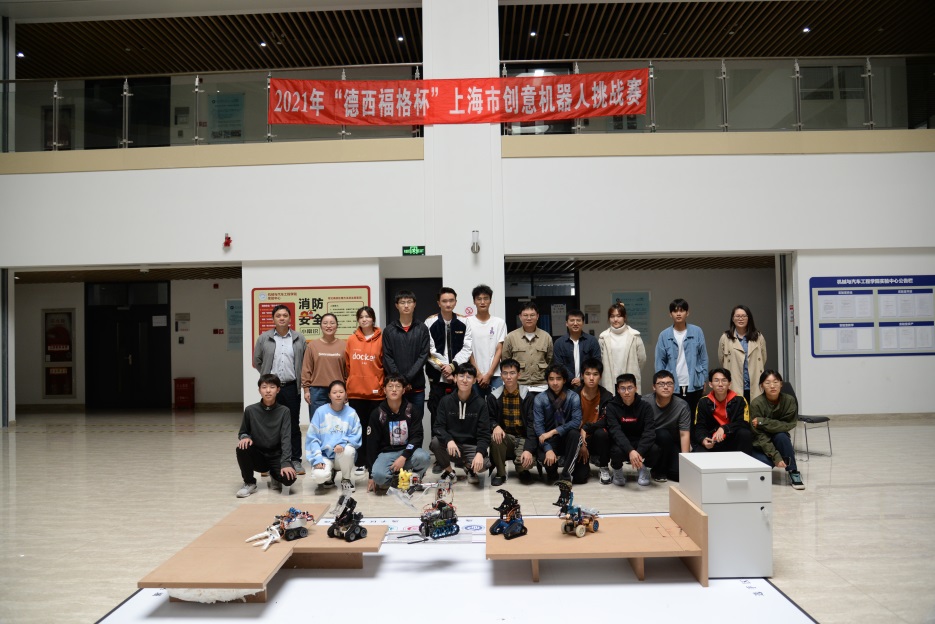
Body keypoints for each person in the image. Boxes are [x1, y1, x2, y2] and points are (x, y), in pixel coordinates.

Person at [253, 304, 307, 474]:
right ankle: (269, 461)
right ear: (273, 319)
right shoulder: (264, 338)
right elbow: (257, 360)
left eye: (285, 315)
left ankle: (295, 460)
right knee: (269, 424)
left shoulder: (299, 338)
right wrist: (267, 379)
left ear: (290, 318)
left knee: (293, 424)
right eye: (278, 315)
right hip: (271, 388)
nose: (282, 318)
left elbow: (305, 362)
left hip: (291, 387)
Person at [366, 373, 431, 492]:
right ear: (384, 390)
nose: (394, 389)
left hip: (408, 452)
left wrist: (403, 456)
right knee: (379, 477)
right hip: (386, 453)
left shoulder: (412, 410)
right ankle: (397, 478)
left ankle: (414, 478)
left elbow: (417, 437)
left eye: (398, 386)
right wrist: (371, 475)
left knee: (424, 457)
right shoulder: (377, 413)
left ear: (404, 390)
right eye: (390, 386)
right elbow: (371, 445)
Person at [235, 374, 298, 497]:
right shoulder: (250, 410)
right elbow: (243, 432)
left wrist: (285, 462)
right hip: (258, 456)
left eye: (272, 387)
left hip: (276, 456)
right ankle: (249, 483)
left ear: (278, 390)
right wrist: (245, 437)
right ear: (259, 390)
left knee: (289, 479)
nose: (268, 390)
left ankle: (275, 474)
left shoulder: (284, 411)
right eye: (264, 387)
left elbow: (286, 438)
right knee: (242, 447)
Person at [425, 287, 473, 443]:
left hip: (459, 378)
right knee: (437, 414)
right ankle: (438, 451)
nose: (448, 304)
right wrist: (444, 368)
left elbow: (467, 348)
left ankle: (459, 449)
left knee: (459, 414)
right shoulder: (430, 322)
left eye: (451, 301)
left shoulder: (464, 321)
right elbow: (429, 350)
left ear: (456, 302)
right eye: (444, 301)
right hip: (437, 378)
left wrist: (453, 366)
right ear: (438, 303)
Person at [429, 363, 491, 485]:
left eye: (469, 377)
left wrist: (479, 453)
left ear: (474, 380)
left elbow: (484, 433)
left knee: (484, 464)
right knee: (435, 442)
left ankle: (469, 468)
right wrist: (449, 440)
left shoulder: (481, 404)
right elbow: (438, 427)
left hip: (471, 446)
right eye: (461, 376)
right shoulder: (445, 401)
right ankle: (449, 472)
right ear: (455, 378)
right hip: (453, 446)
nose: (464, 380)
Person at [345, 306, 385, 473]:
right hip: (356, 394)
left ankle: (374, 460)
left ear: (373, 319)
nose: (364, 319)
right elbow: (348, 365)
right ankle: (361, 461)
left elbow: (384, 364)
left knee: (375, 429)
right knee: (358, 429)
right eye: (361, 317)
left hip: (376, 394)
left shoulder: (382, 339)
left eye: (367, 316)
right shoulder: (351, 340)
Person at [750, 370, 805, 490]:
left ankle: (793, 471)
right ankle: (773, 458)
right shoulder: (756, 404)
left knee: (782, 436)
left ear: (781, 384)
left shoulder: (789, 400)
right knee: (766, 464)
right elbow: (760, 435)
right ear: (761, 386)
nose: (772, 386)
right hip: (761, 442)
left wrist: (762, 422)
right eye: (767, 383)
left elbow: (789, 424)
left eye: (776, 382)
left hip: (779, 438)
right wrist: (776, 457)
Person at [306, 380, 362, 494]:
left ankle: (346, 479)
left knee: (348, 450)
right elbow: (312, 438)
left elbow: (356, 435)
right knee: (319, 476)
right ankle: (330, 473)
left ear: (346, 394)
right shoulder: (320, 412)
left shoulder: (351, 413)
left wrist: (343, 443)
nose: (338, 395)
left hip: (343, 455)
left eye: (341, 392)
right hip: (325, 455)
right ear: (329, 395)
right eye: (334, 392)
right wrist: (317, 459)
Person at [487, 358, 537, 486]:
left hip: (523, 438)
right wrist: (495, 426)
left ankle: (522, 470)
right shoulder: (494, 396)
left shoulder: (528, 396)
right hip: (506, 438)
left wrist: (528, 449)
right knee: (495, 437)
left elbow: (532, 425)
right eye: (505, 373)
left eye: (512, 373)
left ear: (518, 375)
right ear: (501, 375)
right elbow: (489, 418)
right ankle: (501, 473)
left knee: (525, 464)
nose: (508, 377)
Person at [655, 298, 708, 418]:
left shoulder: (697, 331)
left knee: (694, 416)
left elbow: (703, 357)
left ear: (687, 313)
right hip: (672, 384)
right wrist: (659, 383)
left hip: (694, 382)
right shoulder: (664, 335)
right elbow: (659, 361)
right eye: (675, 311)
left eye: (682, 310)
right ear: (670, 314)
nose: (678, 314)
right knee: (674, 417)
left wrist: (704, 378)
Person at [382, 290, 430, 422]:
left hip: (416, 387)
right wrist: (401, 381)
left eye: (409, 302)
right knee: (396, 422)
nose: (406, 305)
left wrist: (407, 379)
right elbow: (387, 357)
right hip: (395, 387)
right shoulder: (389, 330)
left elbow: (423, 355)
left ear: (414, 304)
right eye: (402, 302)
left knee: (416, 423)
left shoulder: (422, 328)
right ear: (397, 305)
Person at [605, 373, 660, 487]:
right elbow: (615, 431)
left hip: (639, 442)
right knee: (615, 450)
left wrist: (638, 452)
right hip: (621, 443)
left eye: (630, 388)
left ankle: (644, 469)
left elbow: (649, 432)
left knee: (655, 449)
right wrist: (630, 451)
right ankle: (617, 471)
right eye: (622, 388)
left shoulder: (645, 406)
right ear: (618, 390)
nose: (626, 392)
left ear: (636, 388)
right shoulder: (611, 407)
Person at [532, 364, 583, 481]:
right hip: (548, 440)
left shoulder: (573, 397)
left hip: (567, 439)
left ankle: (566, 474)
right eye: (551, 379)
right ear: (547, 381)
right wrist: (548, 449)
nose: (555, 383)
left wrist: (554, 431)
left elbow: (576, 422)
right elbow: (539, 427)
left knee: (581, 476)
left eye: (558, 379)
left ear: (564, 380)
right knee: (550, 472)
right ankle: (553, 470)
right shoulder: (540, 399)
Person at [693, 368, 754, 455]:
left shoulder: (740, 400)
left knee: (745, 433)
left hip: (732, 439)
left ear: (729, 384)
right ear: (710, 384)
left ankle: (744, 463)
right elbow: (699, 427)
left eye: (724, 380)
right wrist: (703, 439)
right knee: (698, 451)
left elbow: (743, 423)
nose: (720, 384)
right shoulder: (703, 402)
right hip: (712, 440)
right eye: (716, 381)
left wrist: (724, 429)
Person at [644, 369, 691, 482]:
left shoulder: (682, 405)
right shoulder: (645, 402)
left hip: (671, 442)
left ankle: (664, 467)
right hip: (650, 441)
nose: (666, 387)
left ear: (674, 386)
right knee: (662, 434)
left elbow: (684, 434)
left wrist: (685, 461)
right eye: (661, 384)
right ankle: (658, 471)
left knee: (679, 475)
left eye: (669, 384)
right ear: (654, 387)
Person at [718, 304, 767, 403]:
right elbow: (721, 359)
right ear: (733, 319)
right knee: (737, 410)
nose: (741, 319)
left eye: (744, 316)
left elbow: (763, 358)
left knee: (755, 410)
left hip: (754, 384)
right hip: (734, 384)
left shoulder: (758, 336)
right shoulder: (725, 337)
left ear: (749, 318)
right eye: (737, 316)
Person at [576, 358, 614, 484]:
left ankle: (604, 467)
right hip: (579, 437)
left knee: (602, 433)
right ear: (582, 376)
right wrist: (581, 442)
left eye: (595, 374)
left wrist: (586, 428)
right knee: (580, 478)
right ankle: (582, 465)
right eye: (588, 374)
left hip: (596, 436)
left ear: (600, 376)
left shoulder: (607, 396)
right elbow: (569, 421)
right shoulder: (574, 395)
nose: (591, 378)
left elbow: (606, 420)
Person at [301, 312, 347, 416]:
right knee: (318, 422)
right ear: (321, 326)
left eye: (332, 323)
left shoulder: (344, 345)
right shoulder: (312, 345)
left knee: (337, 421)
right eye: (325, 323)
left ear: (337, 326)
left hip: (338, 390)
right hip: (317, 391)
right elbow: (306, 369)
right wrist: (306, 390)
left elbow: (347, 370)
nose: (328, 326)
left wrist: (347, 390)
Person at [502, 302, 553, 392]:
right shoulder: (511, 337)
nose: (529, 318)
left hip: (541, 386)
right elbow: (506, 361)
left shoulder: (546, 337)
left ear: (537, 316)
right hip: (518, 385)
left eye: (532, 315)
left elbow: (549, 360)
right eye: (525, 315)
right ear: (520, 317)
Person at [466, 284, 506, 397]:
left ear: (490, 301)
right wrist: (478, 373)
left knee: (496, 406)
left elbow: (499, 349)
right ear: (474, 301)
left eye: (486, 298)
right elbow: (467, 348)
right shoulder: (467, 322)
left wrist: (489, 374)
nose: (482, 302)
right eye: (479, 299)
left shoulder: (499, 323)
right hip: (473, 375)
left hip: (495, 375)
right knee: (475, 406)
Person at [599, 302, 647, 394]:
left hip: (629, 378)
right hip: (610, 380)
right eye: (612, 316)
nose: (615, 319)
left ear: (624, 317)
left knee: (630, 401)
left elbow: (642, 359)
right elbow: (600, 360)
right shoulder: (603, 338)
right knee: (611, 400)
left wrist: (634, 369)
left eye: (619, 316)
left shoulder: (635, 336)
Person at [553, 309, 601, 391]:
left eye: (578, 320)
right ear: (566, 323)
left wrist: (582, 379)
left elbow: (596, 362)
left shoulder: (592, 341)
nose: (575, 323)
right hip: (566, 386)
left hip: (588, 385)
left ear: (583, 323)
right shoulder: (559, 343)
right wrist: (573, 379)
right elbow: (559, 365)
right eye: (572, 320)